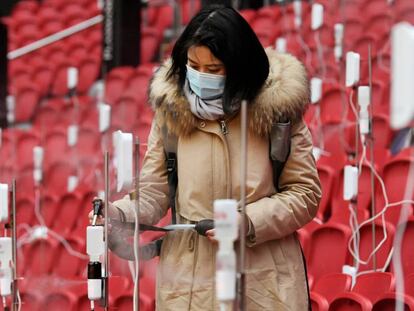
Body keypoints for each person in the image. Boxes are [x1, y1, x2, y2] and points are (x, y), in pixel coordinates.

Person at [90, 4, 321, 310]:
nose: (200, 77)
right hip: (188, 285)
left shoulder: (276, 114)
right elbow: (155, 191)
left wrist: (248, 222)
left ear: (240, 67)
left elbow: (305, 194)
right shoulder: (171, 114)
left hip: (262, 283)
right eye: (193, 66)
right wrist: (118, 214)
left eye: (213, 70)